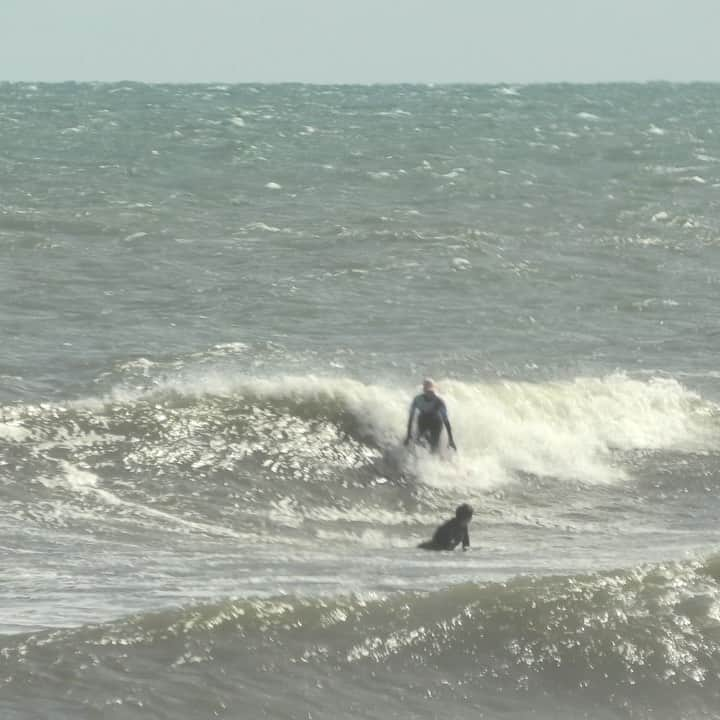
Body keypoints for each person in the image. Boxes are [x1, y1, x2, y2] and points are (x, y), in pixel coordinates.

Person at [404, 378, 456, 453]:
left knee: (434, 446)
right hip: (423, 421)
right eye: (428, 391)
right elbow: (411, 418)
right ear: (424, 390)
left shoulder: (439, 401)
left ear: (434, 390)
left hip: (436, 423)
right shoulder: (417, 399)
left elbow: (446, 420)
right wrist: (408, 435)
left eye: (431, 391)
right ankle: (420, 461)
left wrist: (451, 439)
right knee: (419, 443)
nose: (430, 393)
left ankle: (435, 460)